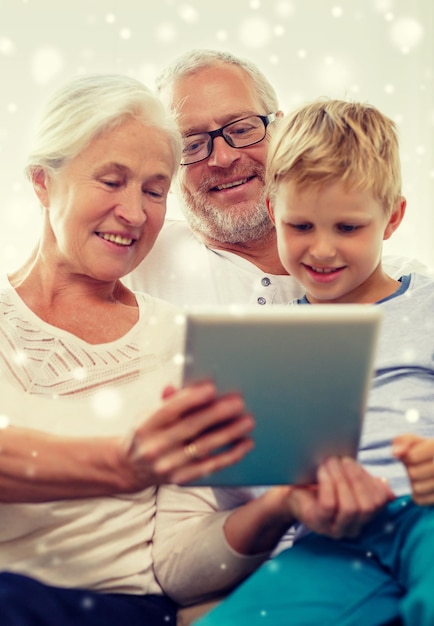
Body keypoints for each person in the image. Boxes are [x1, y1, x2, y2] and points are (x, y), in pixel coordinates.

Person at [0, 73, 257, 626]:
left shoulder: (188, 343)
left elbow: (181, 557)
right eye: (111, 181)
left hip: (124, 608)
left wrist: (278, 510)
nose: (135, 215)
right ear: (43, 182)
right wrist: (121, 464)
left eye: (154, 190)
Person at [191, 99, 434, 625]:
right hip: (326, 536)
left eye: (348, 228)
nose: (321, 250)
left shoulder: (428, 305)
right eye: (300, 226)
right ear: (274, 214)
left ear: (391, 218)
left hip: (424, 515)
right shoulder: (266, 343)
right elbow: (242, 492)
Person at [125, 48, 427, 306]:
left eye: (242, 129)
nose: (223, 158)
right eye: (191, 144)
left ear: (281, 131)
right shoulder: (133, 262)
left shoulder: (405, 290)